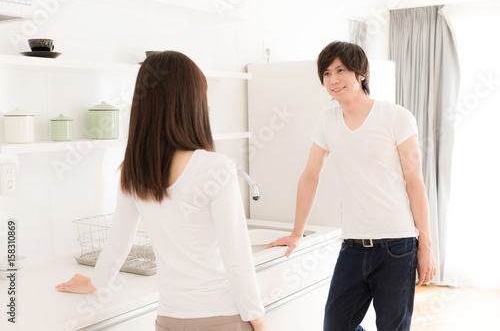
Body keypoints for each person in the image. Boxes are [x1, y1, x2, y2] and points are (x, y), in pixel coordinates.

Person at [56, 51, 268, 331]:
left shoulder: (133, 171)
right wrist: (258, 319)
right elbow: (236, 256)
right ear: (193, 104)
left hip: (168, 320)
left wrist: (96, 283)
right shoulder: (216, 168)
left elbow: (118, 242)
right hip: (222, 316)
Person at [267, 41, 437, 331]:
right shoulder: (327, 120)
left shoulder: (396, 117)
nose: (333, 80)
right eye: (327, 73)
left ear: (360, 74)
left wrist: (426, 246)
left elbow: (414, 181)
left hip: (398, 246)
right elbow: (310, 176)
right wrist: (297, 233)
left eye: (341, 70)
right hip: (353, 246)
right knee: (335, 326)